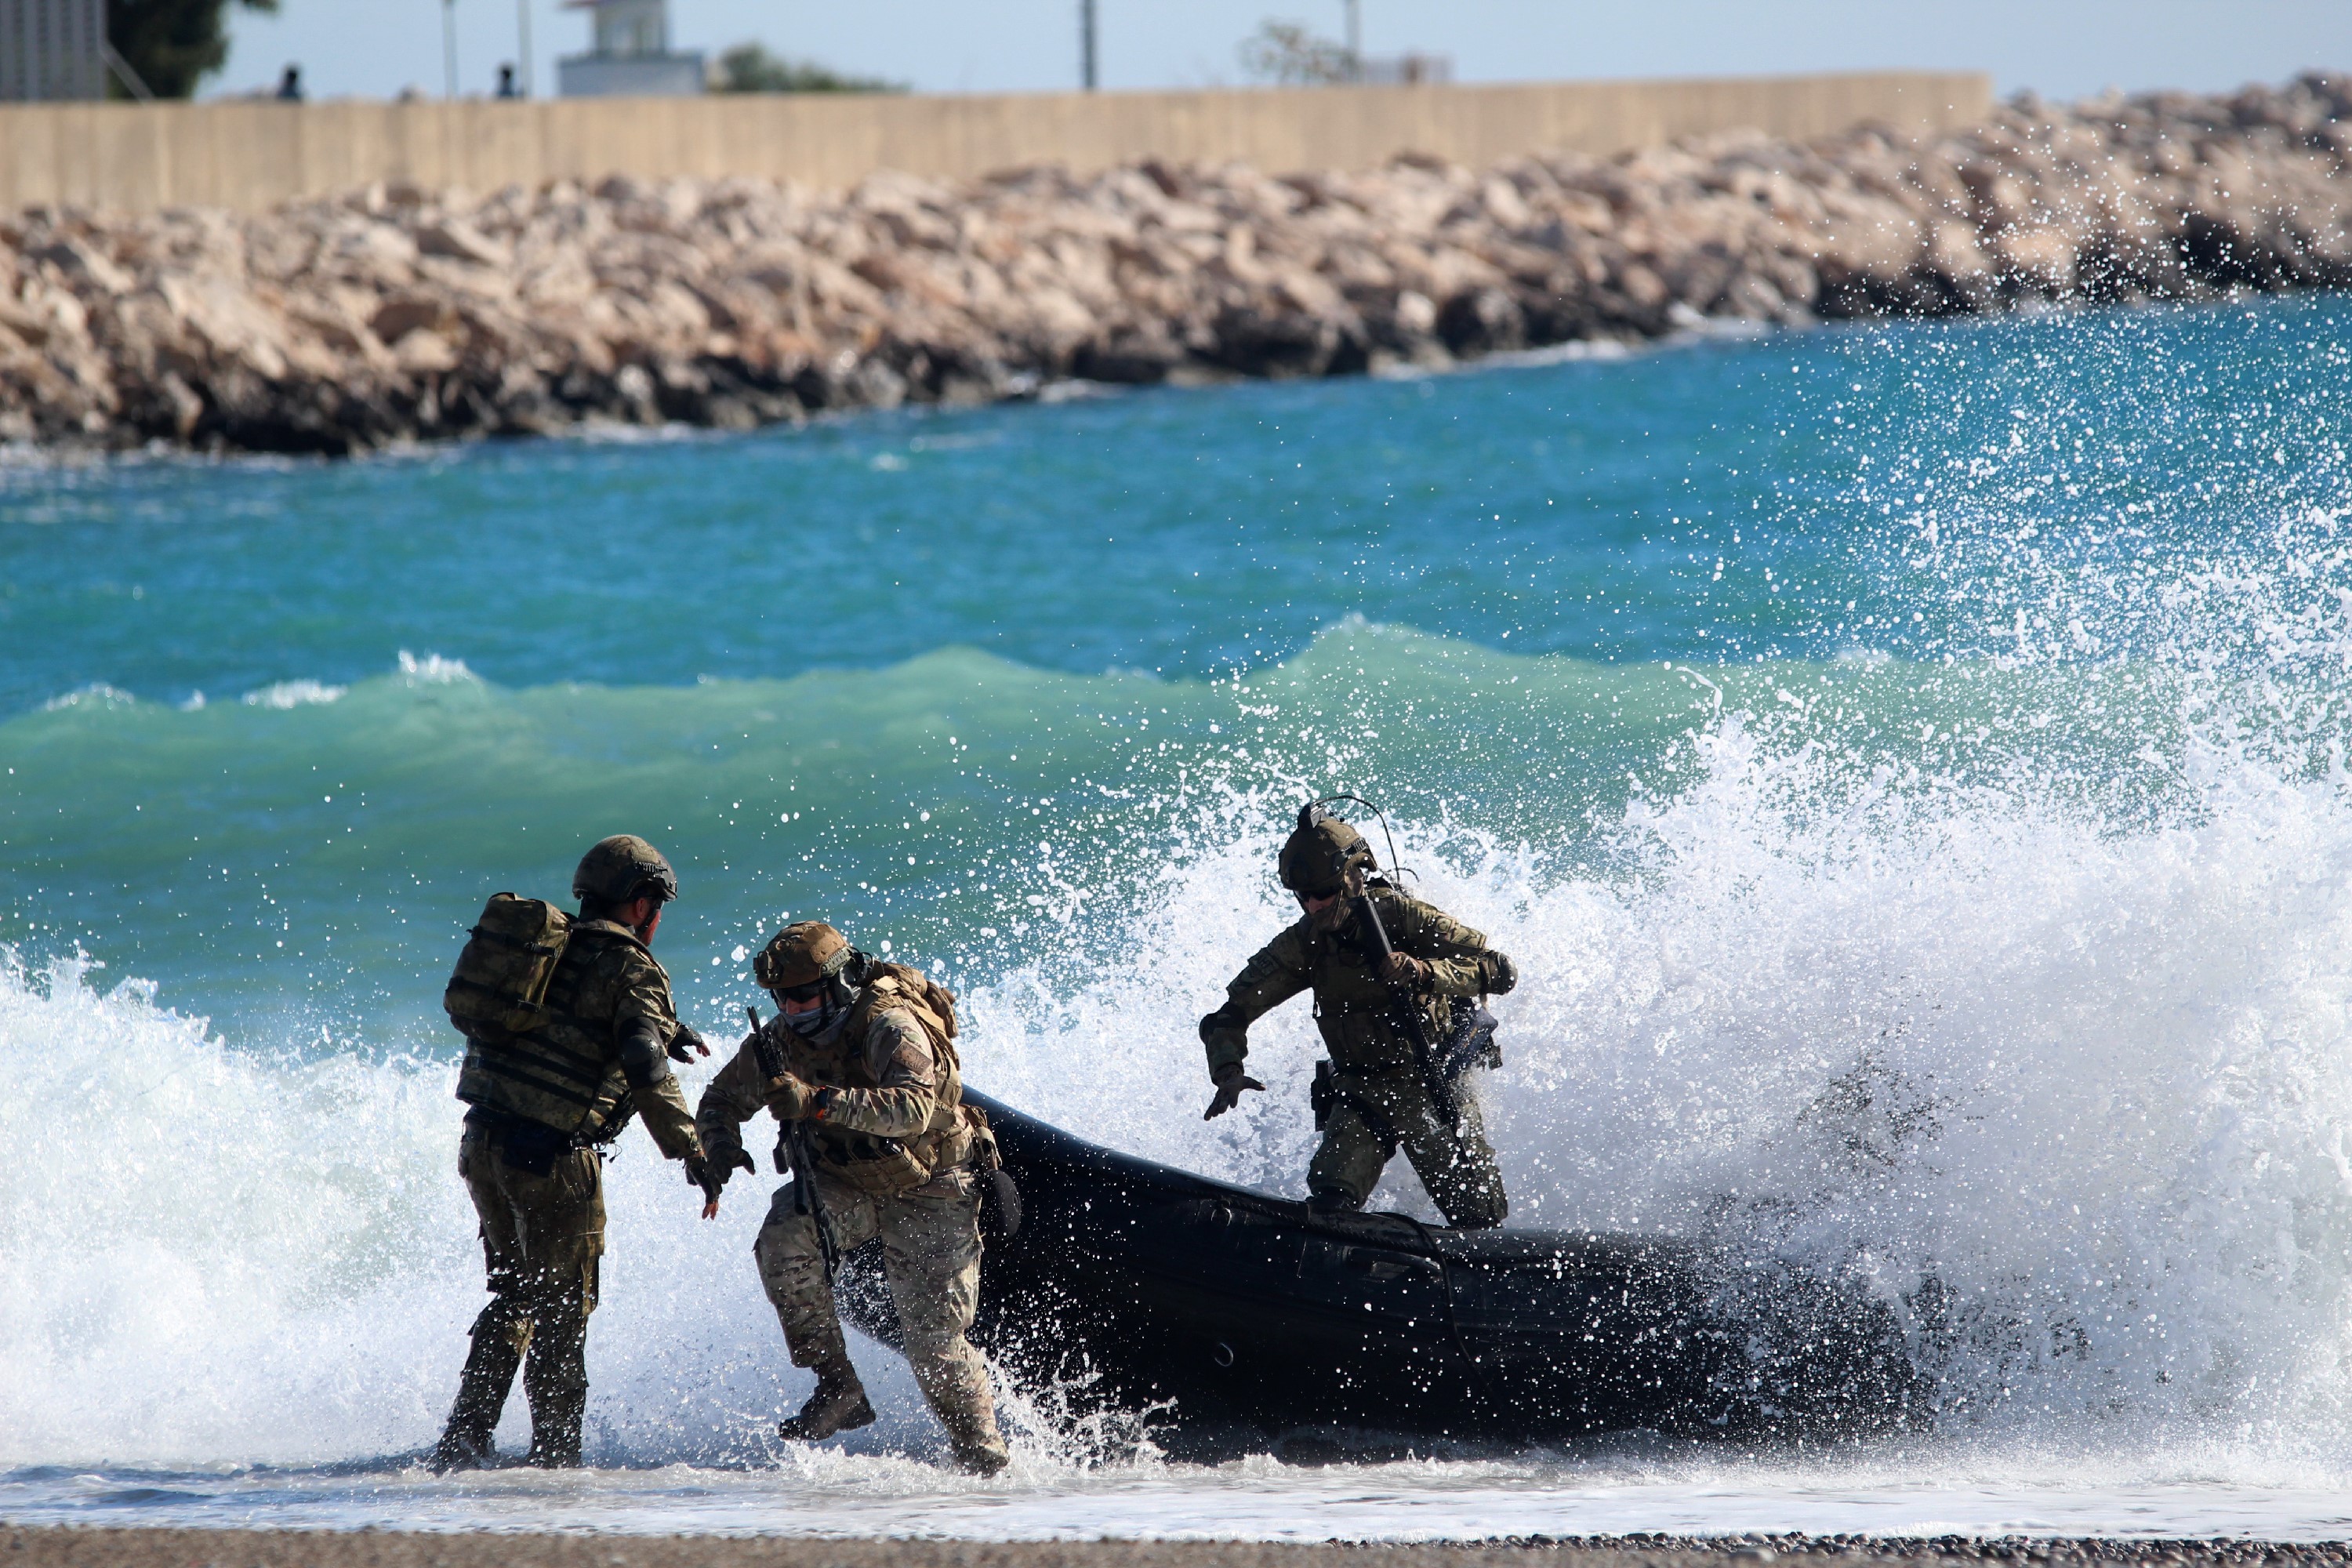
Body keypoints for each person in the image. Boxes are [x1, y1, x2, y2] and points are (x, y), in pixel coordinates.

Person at [430, 834, 714, 1471]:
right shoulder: (633, 967)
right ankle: (556, 1464)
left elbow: (577, 1020)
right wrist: (691, 1150)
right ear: (640, 905)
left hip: (484, 1145)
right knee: (562, 1316)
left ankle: (463, 1443)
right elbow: (641, 1059)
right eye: (657, 906)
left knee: (514, 1296)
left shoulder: (548, 949)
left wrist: (668, 1028)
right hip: (553, 1161)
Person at [695, 921, 1011, 1475]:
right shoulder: (779, 1040)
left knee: (935, 1347)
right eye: (781, 997)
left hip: (930, 1183)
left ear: (838, 983)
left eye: (802, 994)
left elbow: (914, 1109)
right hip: (851, 1181)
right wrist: (719, 1146)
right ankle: (838, 1385)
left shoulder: (889, 1024)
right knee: (783, 1243)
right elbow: (720, 1099)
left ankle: (986, 1465)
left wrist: (816, 1102)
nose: (791, 1008)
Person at [1197, 803, 1516, 1227]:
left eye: (1321, 893)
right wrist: (1227, 1069)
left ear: (1352, 878)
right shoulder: (1304, 944)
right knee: (1330, 1202)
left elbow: (1499, 970)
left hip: (1432, 1085)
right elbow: (1227, 1017)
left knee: (1478, 1220)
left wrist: (1424, 972)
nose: (1312, 906)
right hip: (1363, 1093)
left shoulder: (1404, 917)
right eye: (1302, 896)